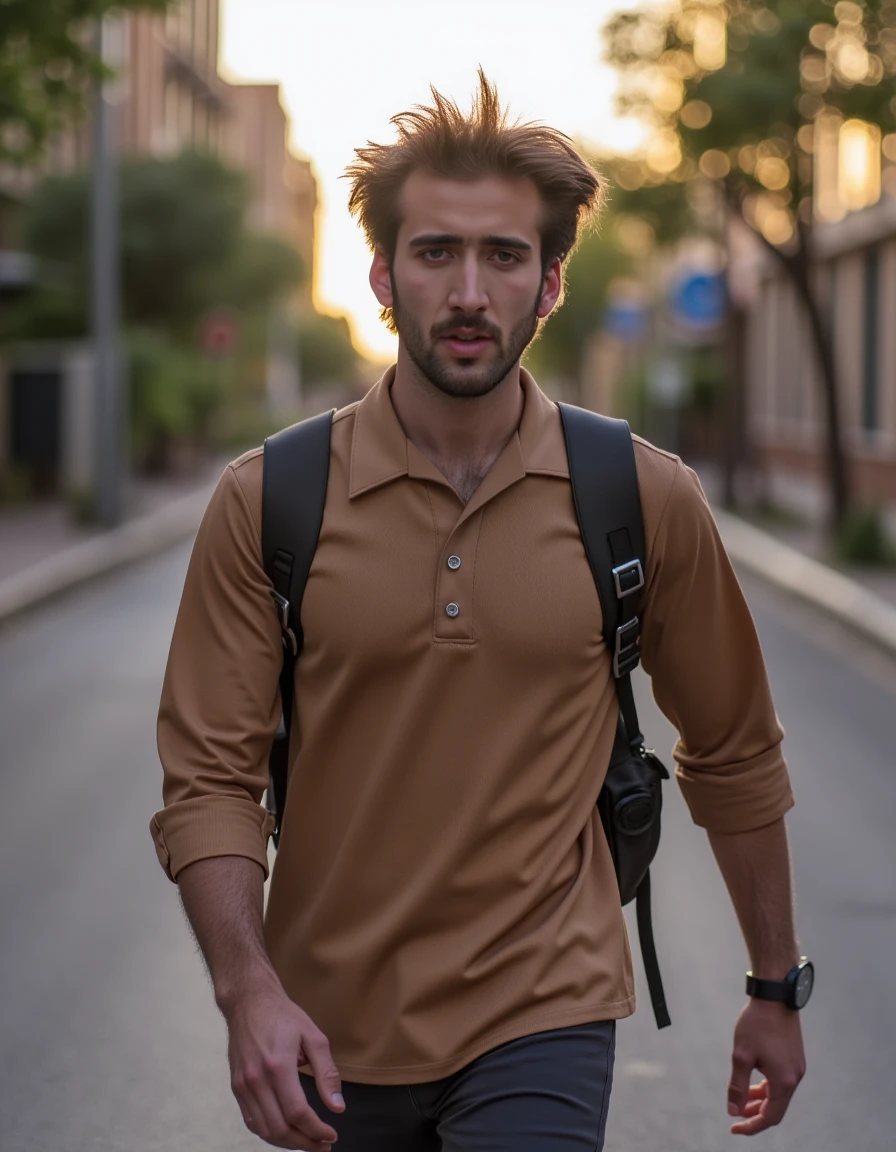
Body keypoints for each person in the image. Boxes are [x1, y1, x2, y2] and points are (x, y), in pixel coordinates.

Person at [150, 72, 808, 1152]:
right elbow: (209, 782)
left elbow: (732, 749)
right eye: (435, 252)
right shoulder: (268, 501)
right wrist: (246, 995)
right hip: (325, 1025)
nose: (468, 292)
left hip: (542, 1007)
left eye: (502, 257)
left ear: (548, 285)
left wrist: (773, 986)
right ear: (380, 275)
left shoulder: (638, 497)